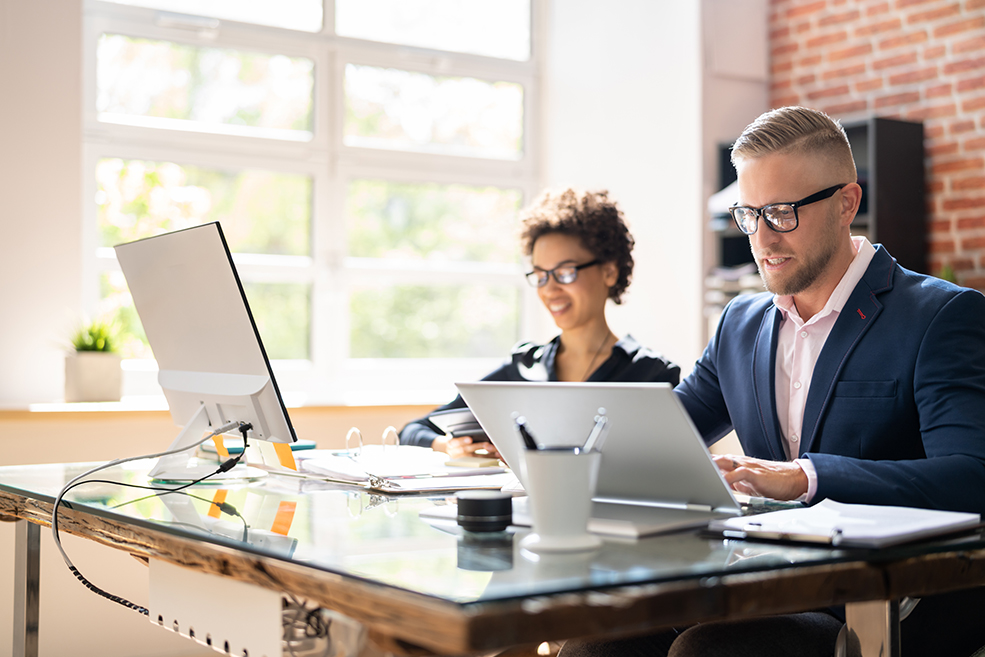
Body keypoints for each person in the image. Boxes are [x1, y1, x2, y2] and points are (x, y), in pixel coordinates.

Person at [563, 107, 985, 657]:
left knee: (705, 652)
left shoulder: (941, 316)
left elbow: (971, 479)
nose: (761, 238)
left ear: (846, 204)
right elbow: (670, 430)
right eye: (749, 214)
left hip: (893, 599)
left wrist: (806, 476)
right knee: (597, 641)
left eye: (783, 213)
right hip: (768, 582)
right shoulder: (740, 323)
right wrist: (564, 454)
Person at [399, 187, 681, 457]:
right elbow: (412, 431)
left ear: (609, 271)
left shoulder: (651, 375)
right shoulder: (524, 367)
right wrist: (447, 445)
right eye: (540, 275)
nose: (549, 289)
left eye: (566, 272)